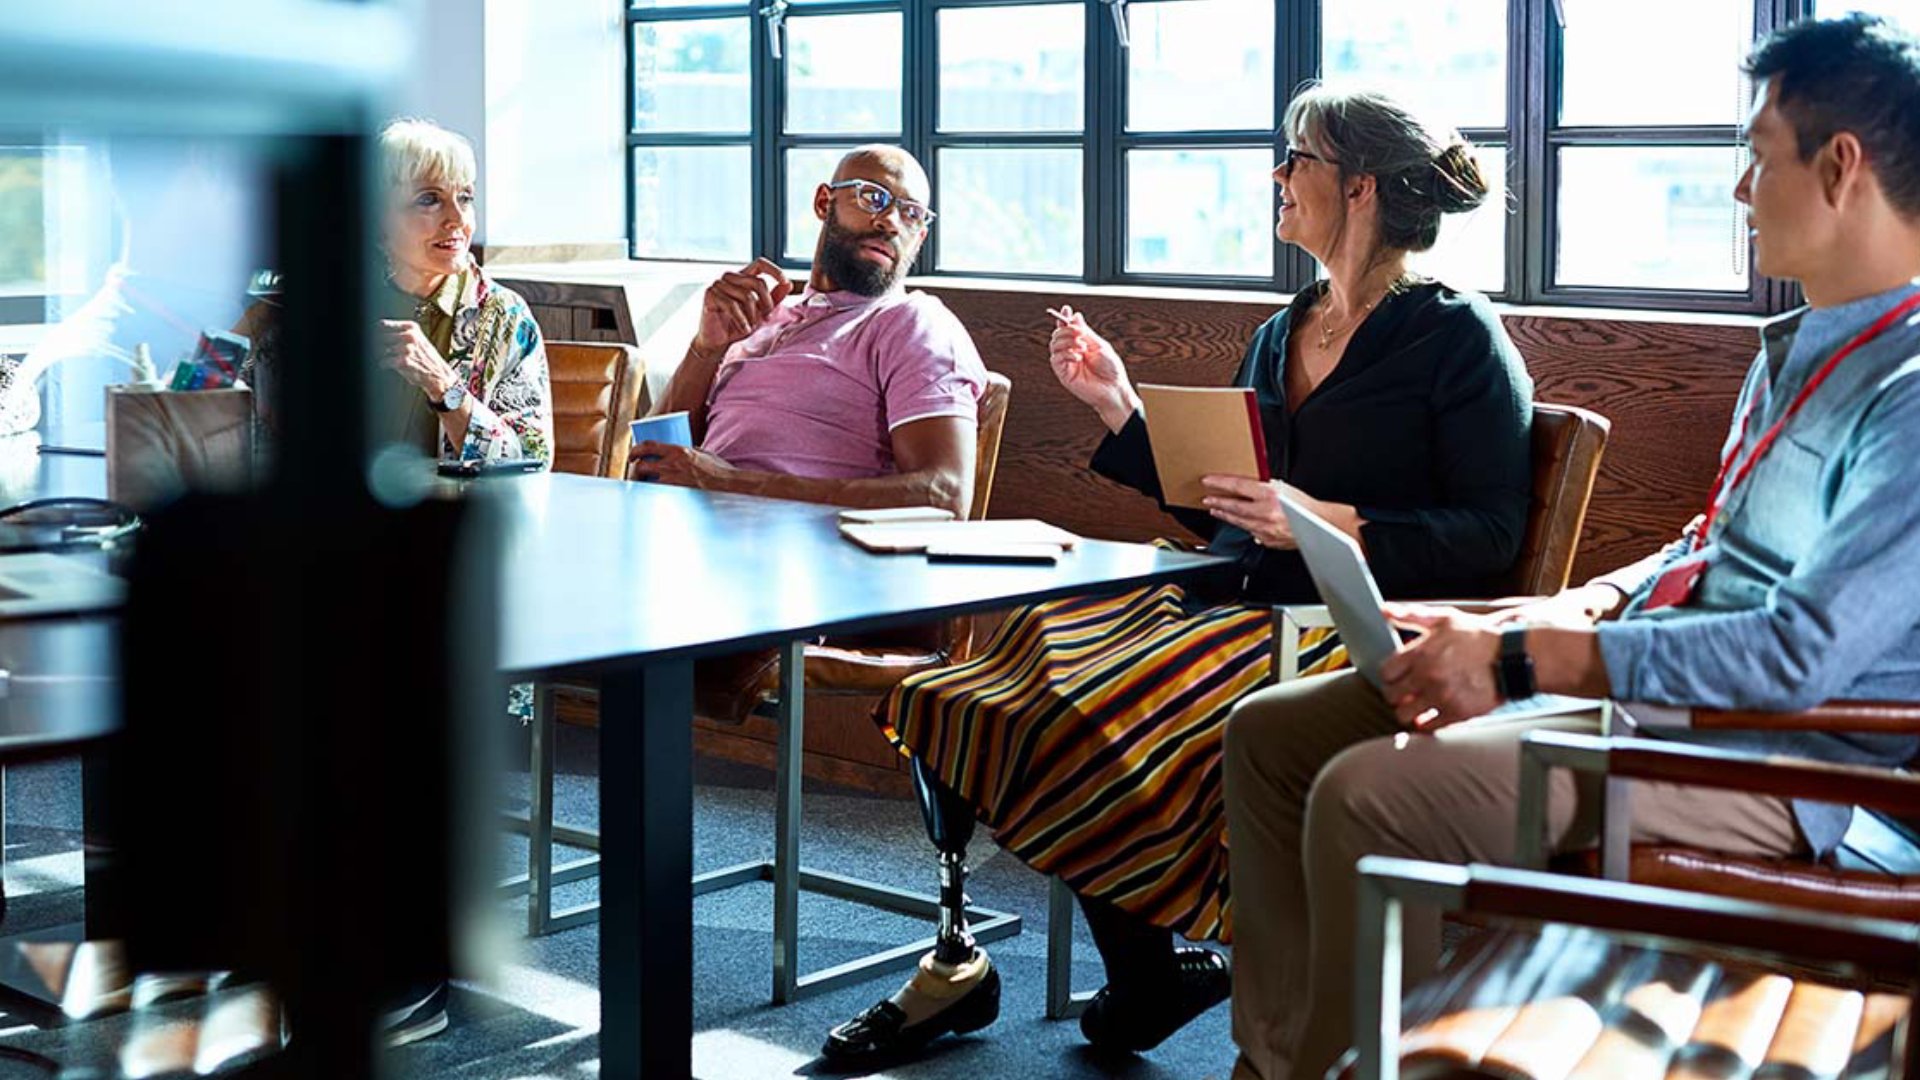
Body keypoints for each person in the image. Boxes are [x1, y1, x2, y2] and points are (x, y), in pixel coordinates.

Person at [1220, 15, 1920, 1080]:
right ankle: (1276, 1056)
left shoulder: (1907, 397)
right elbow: (1704, 547)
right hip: (1656, 692)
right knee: (1271, 735)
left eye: (1755, 159)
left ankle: (1340, 1066)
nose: (1738, 192)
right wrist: (1555, 610)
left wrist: (1520, 662)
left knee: (1366, 793)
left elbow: (1794, 655)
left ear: (1841, 169)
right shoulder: (1798, 352)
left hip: (1765, 754)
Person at [823, 88, 1534, 1067]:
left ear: (1359, 187)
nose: (1278, 176)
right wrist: (1120, 409)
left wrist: (1325, 520)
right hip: (1236, 597)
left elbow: (1490, 536)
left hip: (1346, 622)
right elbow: (1226, 509)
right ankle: (1145, 964)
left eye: (1297, 160)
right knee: (991, 680)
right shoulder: (1287, 329)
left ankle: (1165, 966)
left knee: (1107, 698)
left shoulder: (1458, 336)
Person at [632, 144, 985, 517]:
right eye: (873, 197)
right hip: (694, 539)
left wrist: (729, 483)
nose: (890, 222)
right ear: (823, 202)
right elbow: (652, 459)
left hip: (819, 559)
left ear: (920, 238)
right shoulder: (760, 319)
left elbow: (945, 496)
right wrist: (706, 348)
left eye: (911, 214)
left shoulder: (913, 323)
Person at [238, 117, 554, 470]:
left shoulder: (506, 316)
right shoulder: (324, 302)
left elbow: (531, 461)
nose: (456, 219)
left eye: (465, 197)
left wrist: (444, 385)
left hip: (454, 521)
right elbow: (235, 437)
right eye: (429, 199)